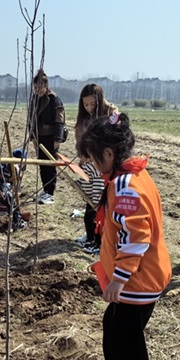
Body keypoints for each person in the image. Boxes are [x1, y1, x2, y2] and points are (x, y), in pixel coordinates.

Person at [77, 112, 172, 360]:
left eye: (93, 158)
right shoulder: (131, 177)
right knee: (114, 327)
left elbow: (135, 236)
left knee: (129, 341)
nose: (92, 165)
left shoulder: (127, 186)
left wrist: (119, 277)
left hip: (137, 279)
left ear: (108, 154)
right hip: (138, 277)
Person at [74, 84, 118, 254]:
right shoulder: (83, 118)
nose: (89, 108)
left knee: (100, 202)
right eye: (85, 105)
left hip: (105, 165)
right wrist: (84, 155)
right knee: (89, 199)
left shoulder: (111, 112)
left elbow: (117, 137)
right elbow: (80, 141)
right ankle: (90, 235)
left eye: (93, 104)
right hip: (90, 164)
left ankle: (99, 240)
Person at [29, 69, 66, 204]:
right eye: (35, 87)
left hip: (50, 137)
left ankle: (50, 193)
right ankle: (45, 190)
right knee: (42, 164)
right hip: (39, 137)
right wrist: (32, 136)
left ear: (46, 86)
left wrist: (58, 138)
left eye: (40, 87)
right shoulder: (34, 99)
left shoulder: (54, 99)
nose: (38, 90)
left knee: (50, 165)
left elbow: (60, 120)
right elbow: (31, 118)